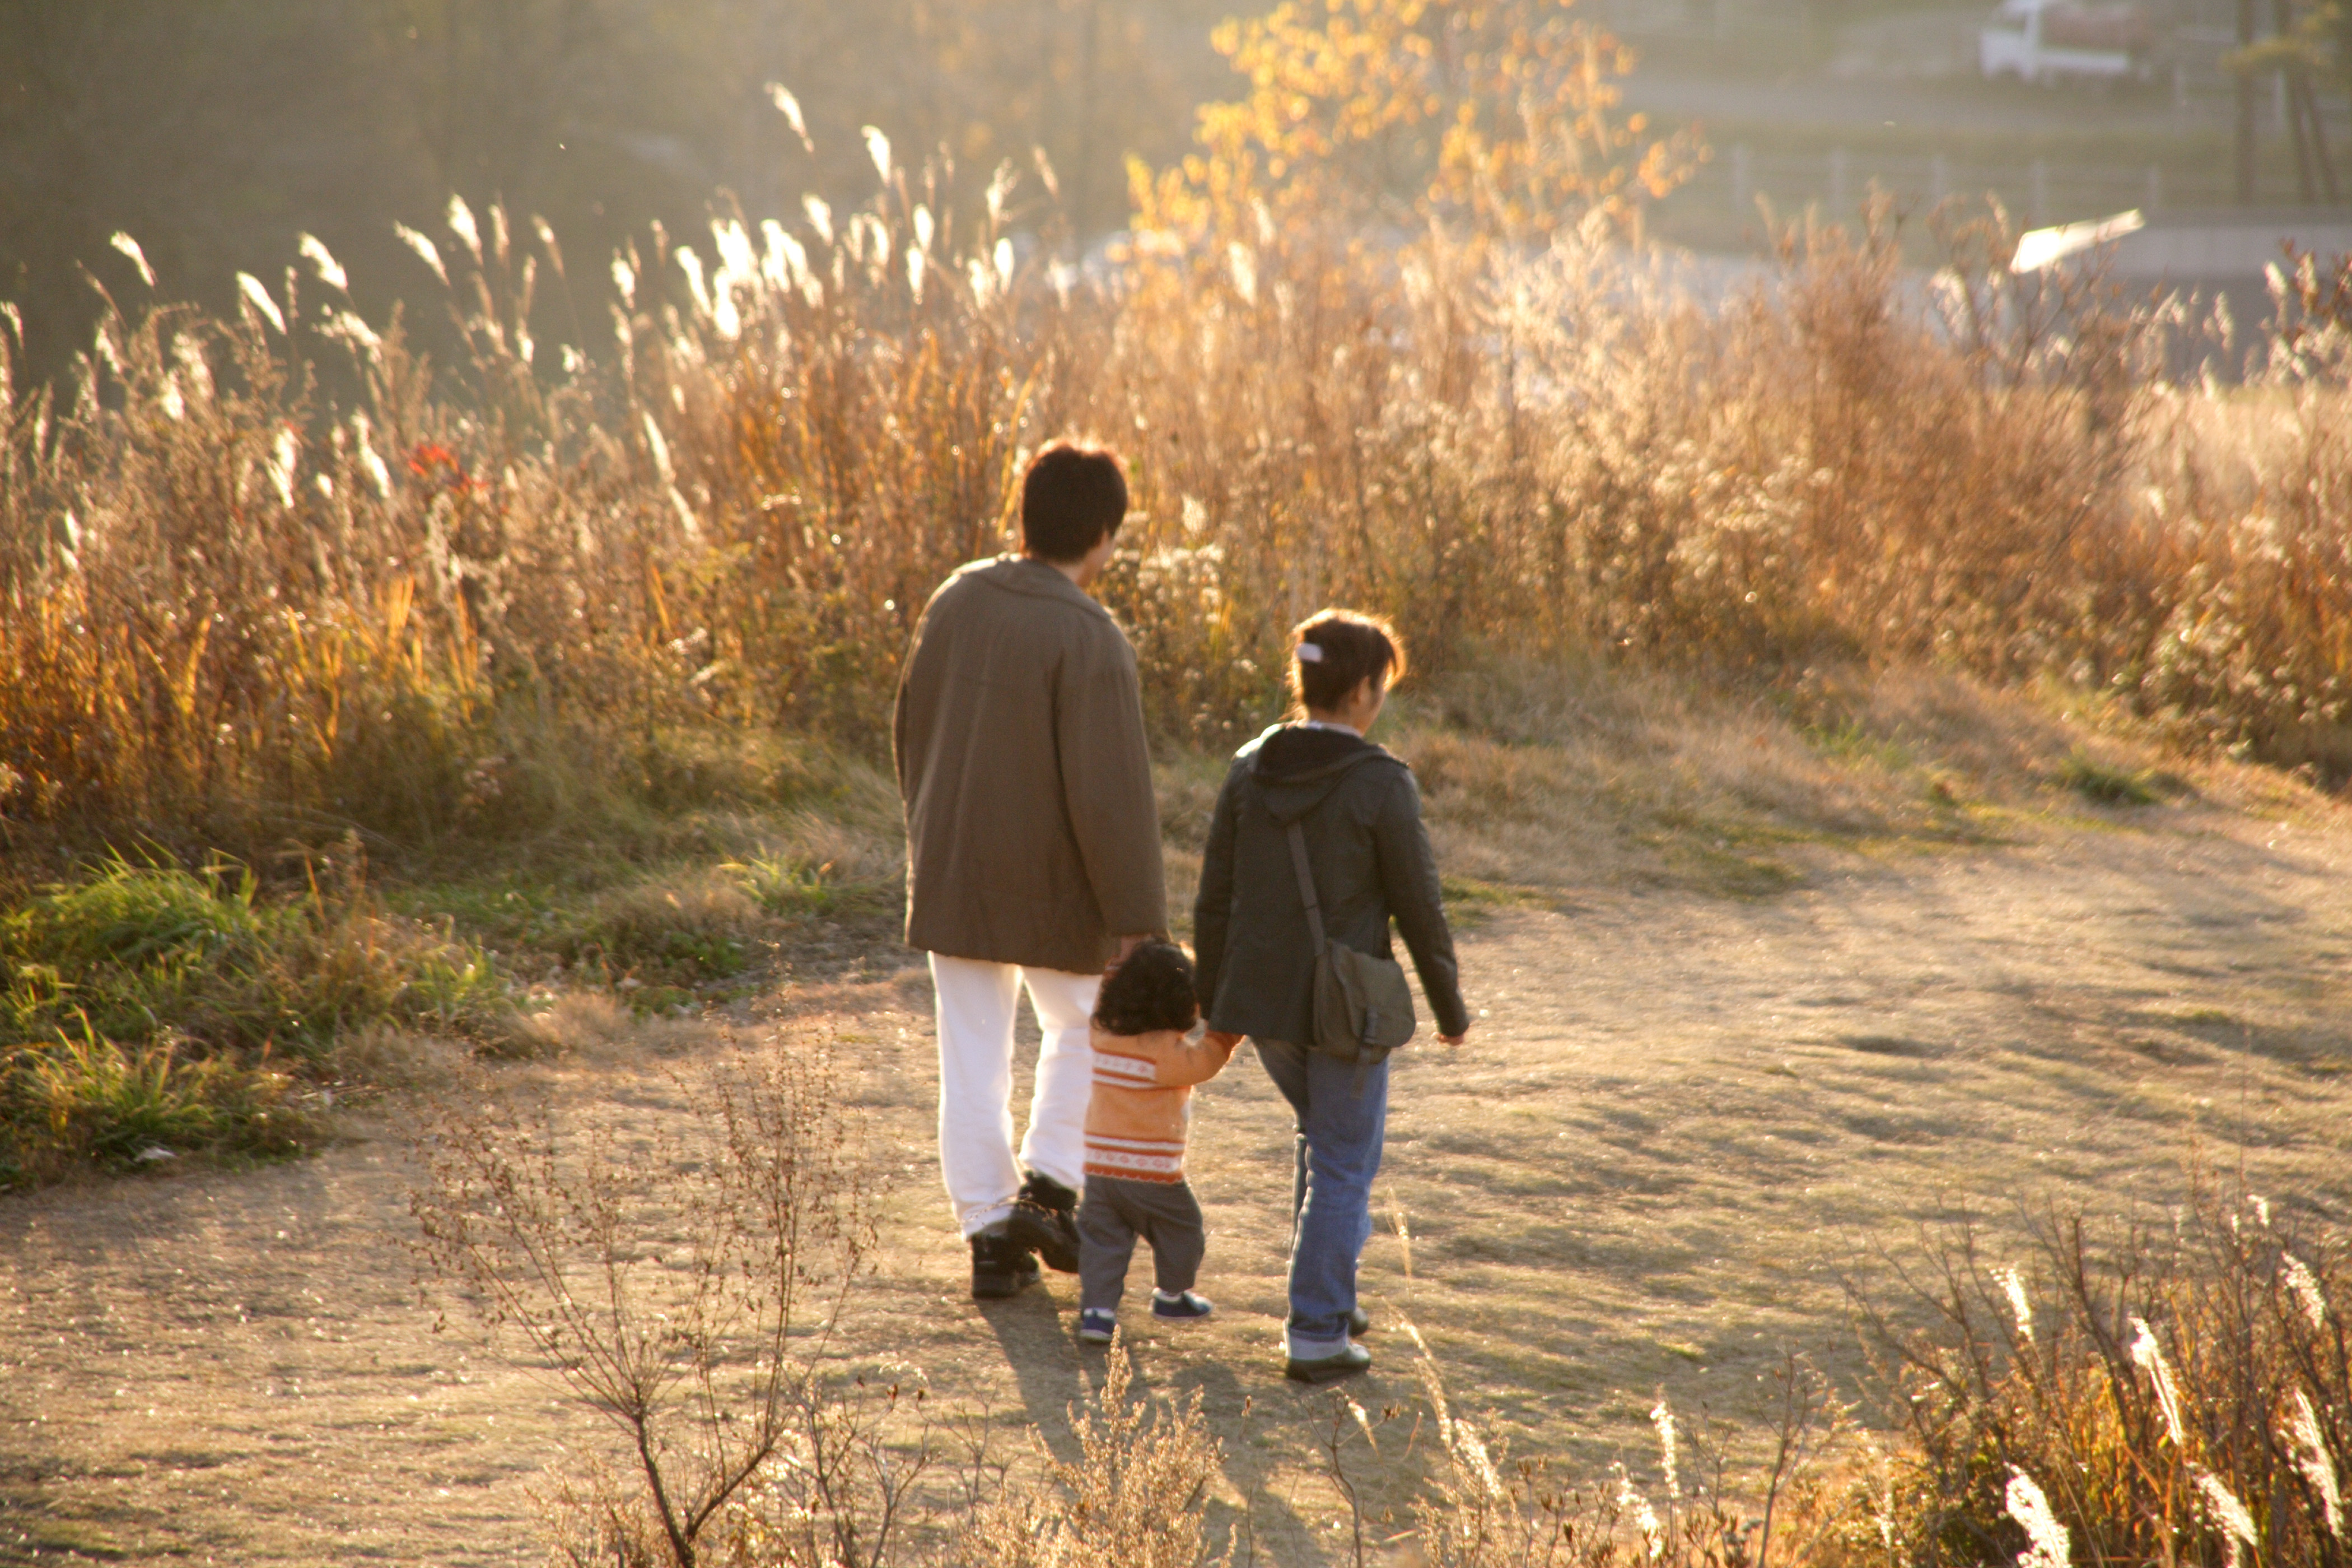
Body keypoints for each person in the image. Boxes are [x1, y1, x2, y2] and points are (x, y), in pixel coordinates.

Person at [894, 441, 1168, 1300]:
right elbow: (1111, 794)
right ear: (1100, 535)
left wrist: (928, 834)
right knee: (1089, 1023)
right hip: (1057, 880)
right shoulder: (1090, 636)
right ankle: (1048, 1189)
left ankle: (989, 1236)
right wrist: (1138, 919)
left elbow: (912, 728)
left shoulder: (955, 599)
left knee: (970, 1053)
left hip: (956, 862)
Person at [1193, 609, 1471, 1383]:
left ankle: (1333, 1301)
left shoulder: (1250, 767)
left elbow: (1214, 897)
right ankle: (1317, 1330)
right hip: (1347, 1007)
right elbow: (1420, 906)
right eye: (1380, 684)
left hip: (1262, 1003)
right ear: (1359, 691)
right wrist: (1450, 1011)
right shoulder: (1381, 783)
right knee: (1345, 1160)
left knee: (1325, 1145)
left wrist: (1211, 1002)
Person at [1074, 939, 1237, 1345]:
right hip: (1151, 1172)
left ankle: (1097, 1313)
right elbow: (1206, 1061)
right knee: (1183, 1229)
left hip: (1099, 1165)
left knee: (1103, 1240)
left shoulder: (1100, 1031)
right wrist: (1228, 1033)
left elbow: (1106, 984)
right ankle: (1171, 1294)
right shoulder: (1166, 1053)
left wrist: (1118, 959)